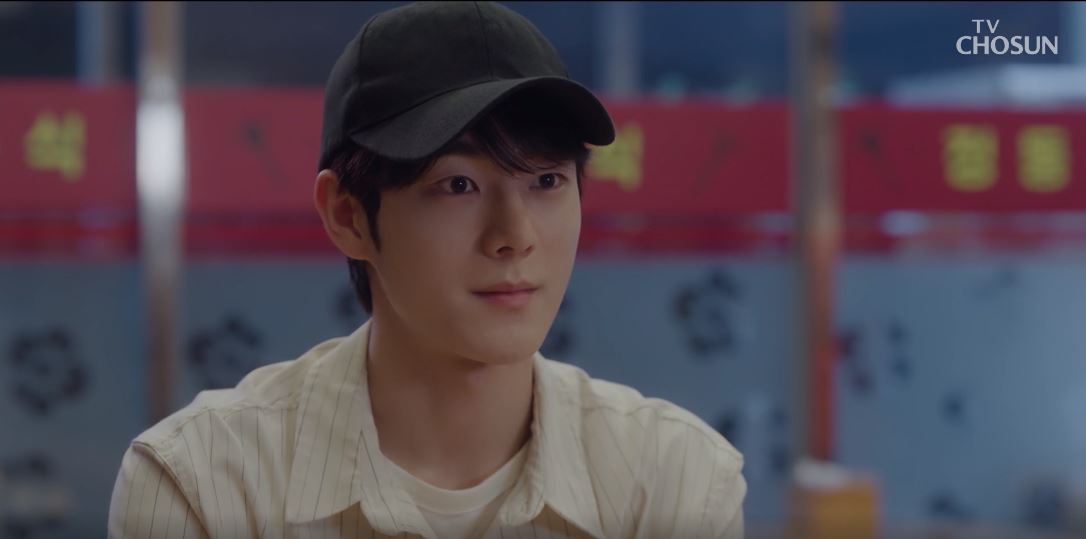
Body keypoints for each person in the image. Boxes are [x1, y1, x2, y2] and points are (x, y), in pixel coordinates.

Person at [108, 2, 746, 538]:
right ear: (348, 216)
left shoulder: (673, 481)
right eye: (458, 185)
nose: (515, 237)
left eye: (547, 181)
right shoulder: (207, 485)